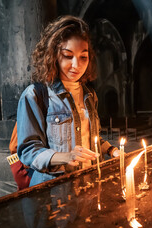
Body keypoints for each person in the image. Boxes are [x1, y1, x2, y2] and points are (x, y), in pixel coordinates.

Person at [17, 15, 120, 187]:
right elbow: (28, 151)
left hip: (91, 183)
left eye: (83, 57)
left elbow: (91, 137)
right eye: (67, 55)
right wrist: (66, 157)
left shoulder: (89, 95)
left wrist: (112, 150)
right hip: (55, 190)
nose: (76, 65)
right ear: (53, 55)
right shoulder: (36, 95)